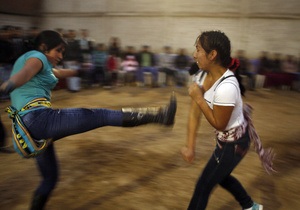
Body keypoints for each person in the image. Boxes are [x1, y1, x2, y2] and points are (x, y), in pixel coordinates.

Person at [0, 30, 177, 210]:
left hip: (30, 129)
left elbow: (58, 73)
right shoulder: (36, 57)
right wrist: (6, 86)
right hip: (39, 120)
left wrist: (80, 70)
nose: (61, 55)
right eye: (58, 51)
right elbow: (25, 74)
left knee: (50, 178)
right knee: (102, 115)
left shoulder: (41, 64)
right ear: (44, 47)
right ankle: (161, 116)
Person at [181, 30, 275, 210]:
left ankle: (250, 206)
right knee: (221, 176)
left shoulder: (227, 87)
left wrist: (199, 98)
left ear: (212, 54)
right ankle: (250, 206)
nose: (194, 55)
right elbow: (194, 113)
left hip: (236, 143)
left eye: (198, 49)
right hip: (226, 140)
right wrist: (190, 147)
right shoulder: (201, 76)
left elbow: (219, 123)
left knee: (204, 185)